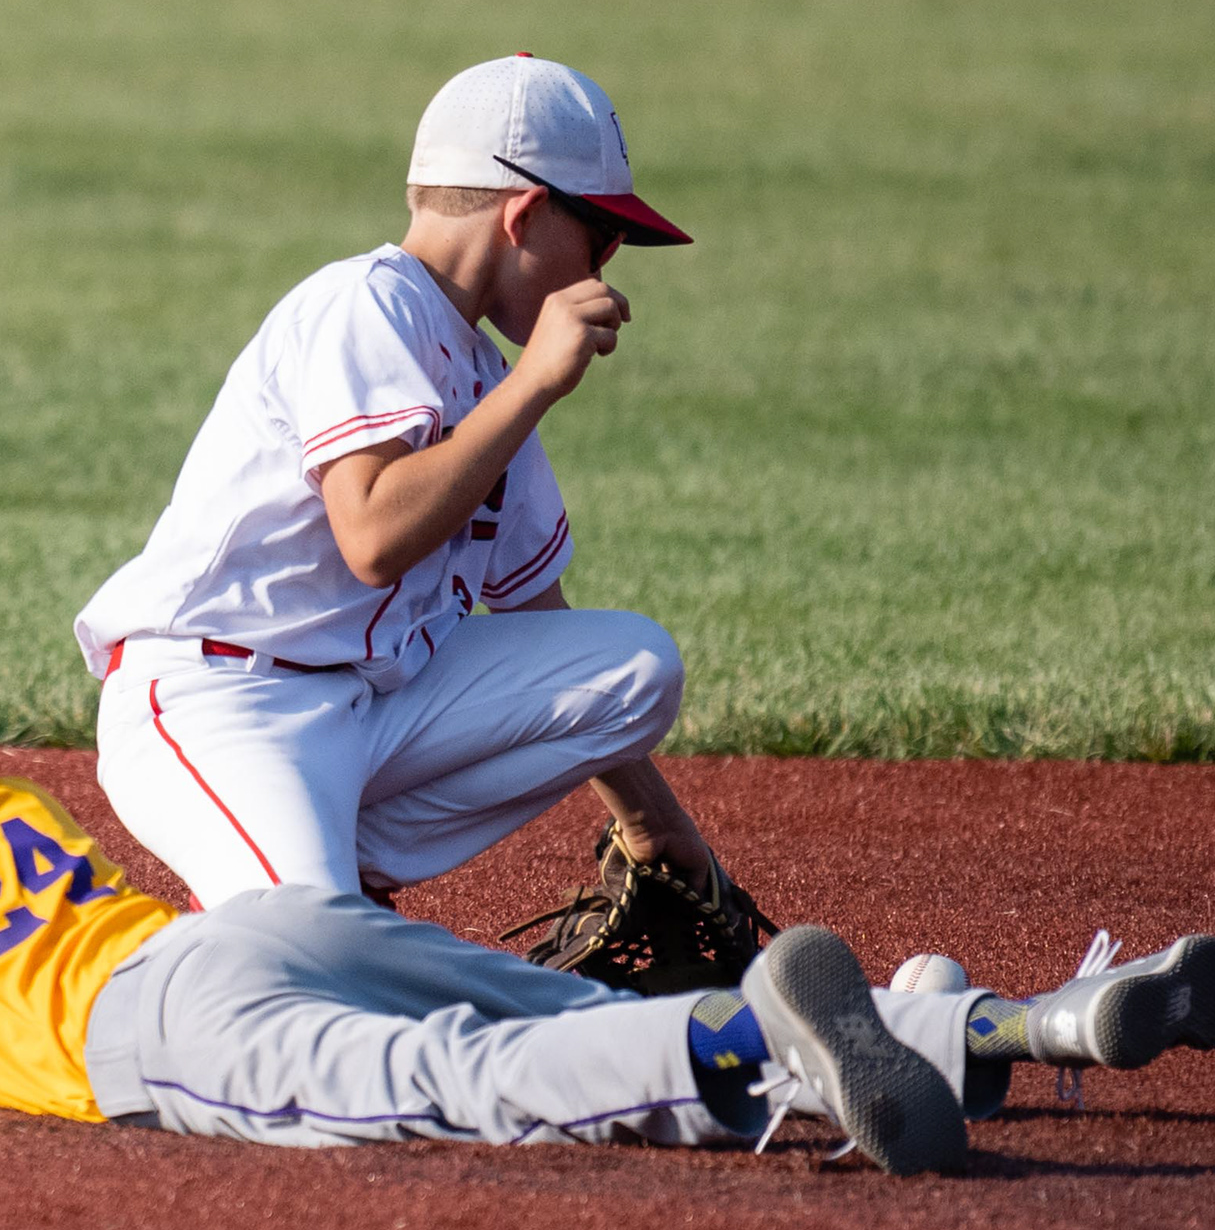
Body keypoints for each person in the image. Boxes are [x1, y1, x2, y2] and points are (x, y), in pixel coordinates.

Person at [0, 572, 1215, 1181]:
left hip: (157, 1036)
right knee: (538, 1000)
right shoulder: (6, 799)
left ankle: (741, 1048)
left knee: (462, 1084)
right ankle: (1004, 1019)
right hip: (261, 923)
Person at [71, 56, 759, 966]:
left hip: (366, 714)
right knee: (319, 958)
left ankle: (325, 856)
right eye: (600, 238)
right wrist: (534, 383)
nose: (605, 269)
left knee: (634, 667)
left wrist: (657, 829)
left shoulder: (481, 369)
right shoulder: (362, 304)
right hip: (222, 700)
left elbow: (538, 614)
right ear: (524, 214)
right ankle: (254, 921)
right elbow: (373, 537)